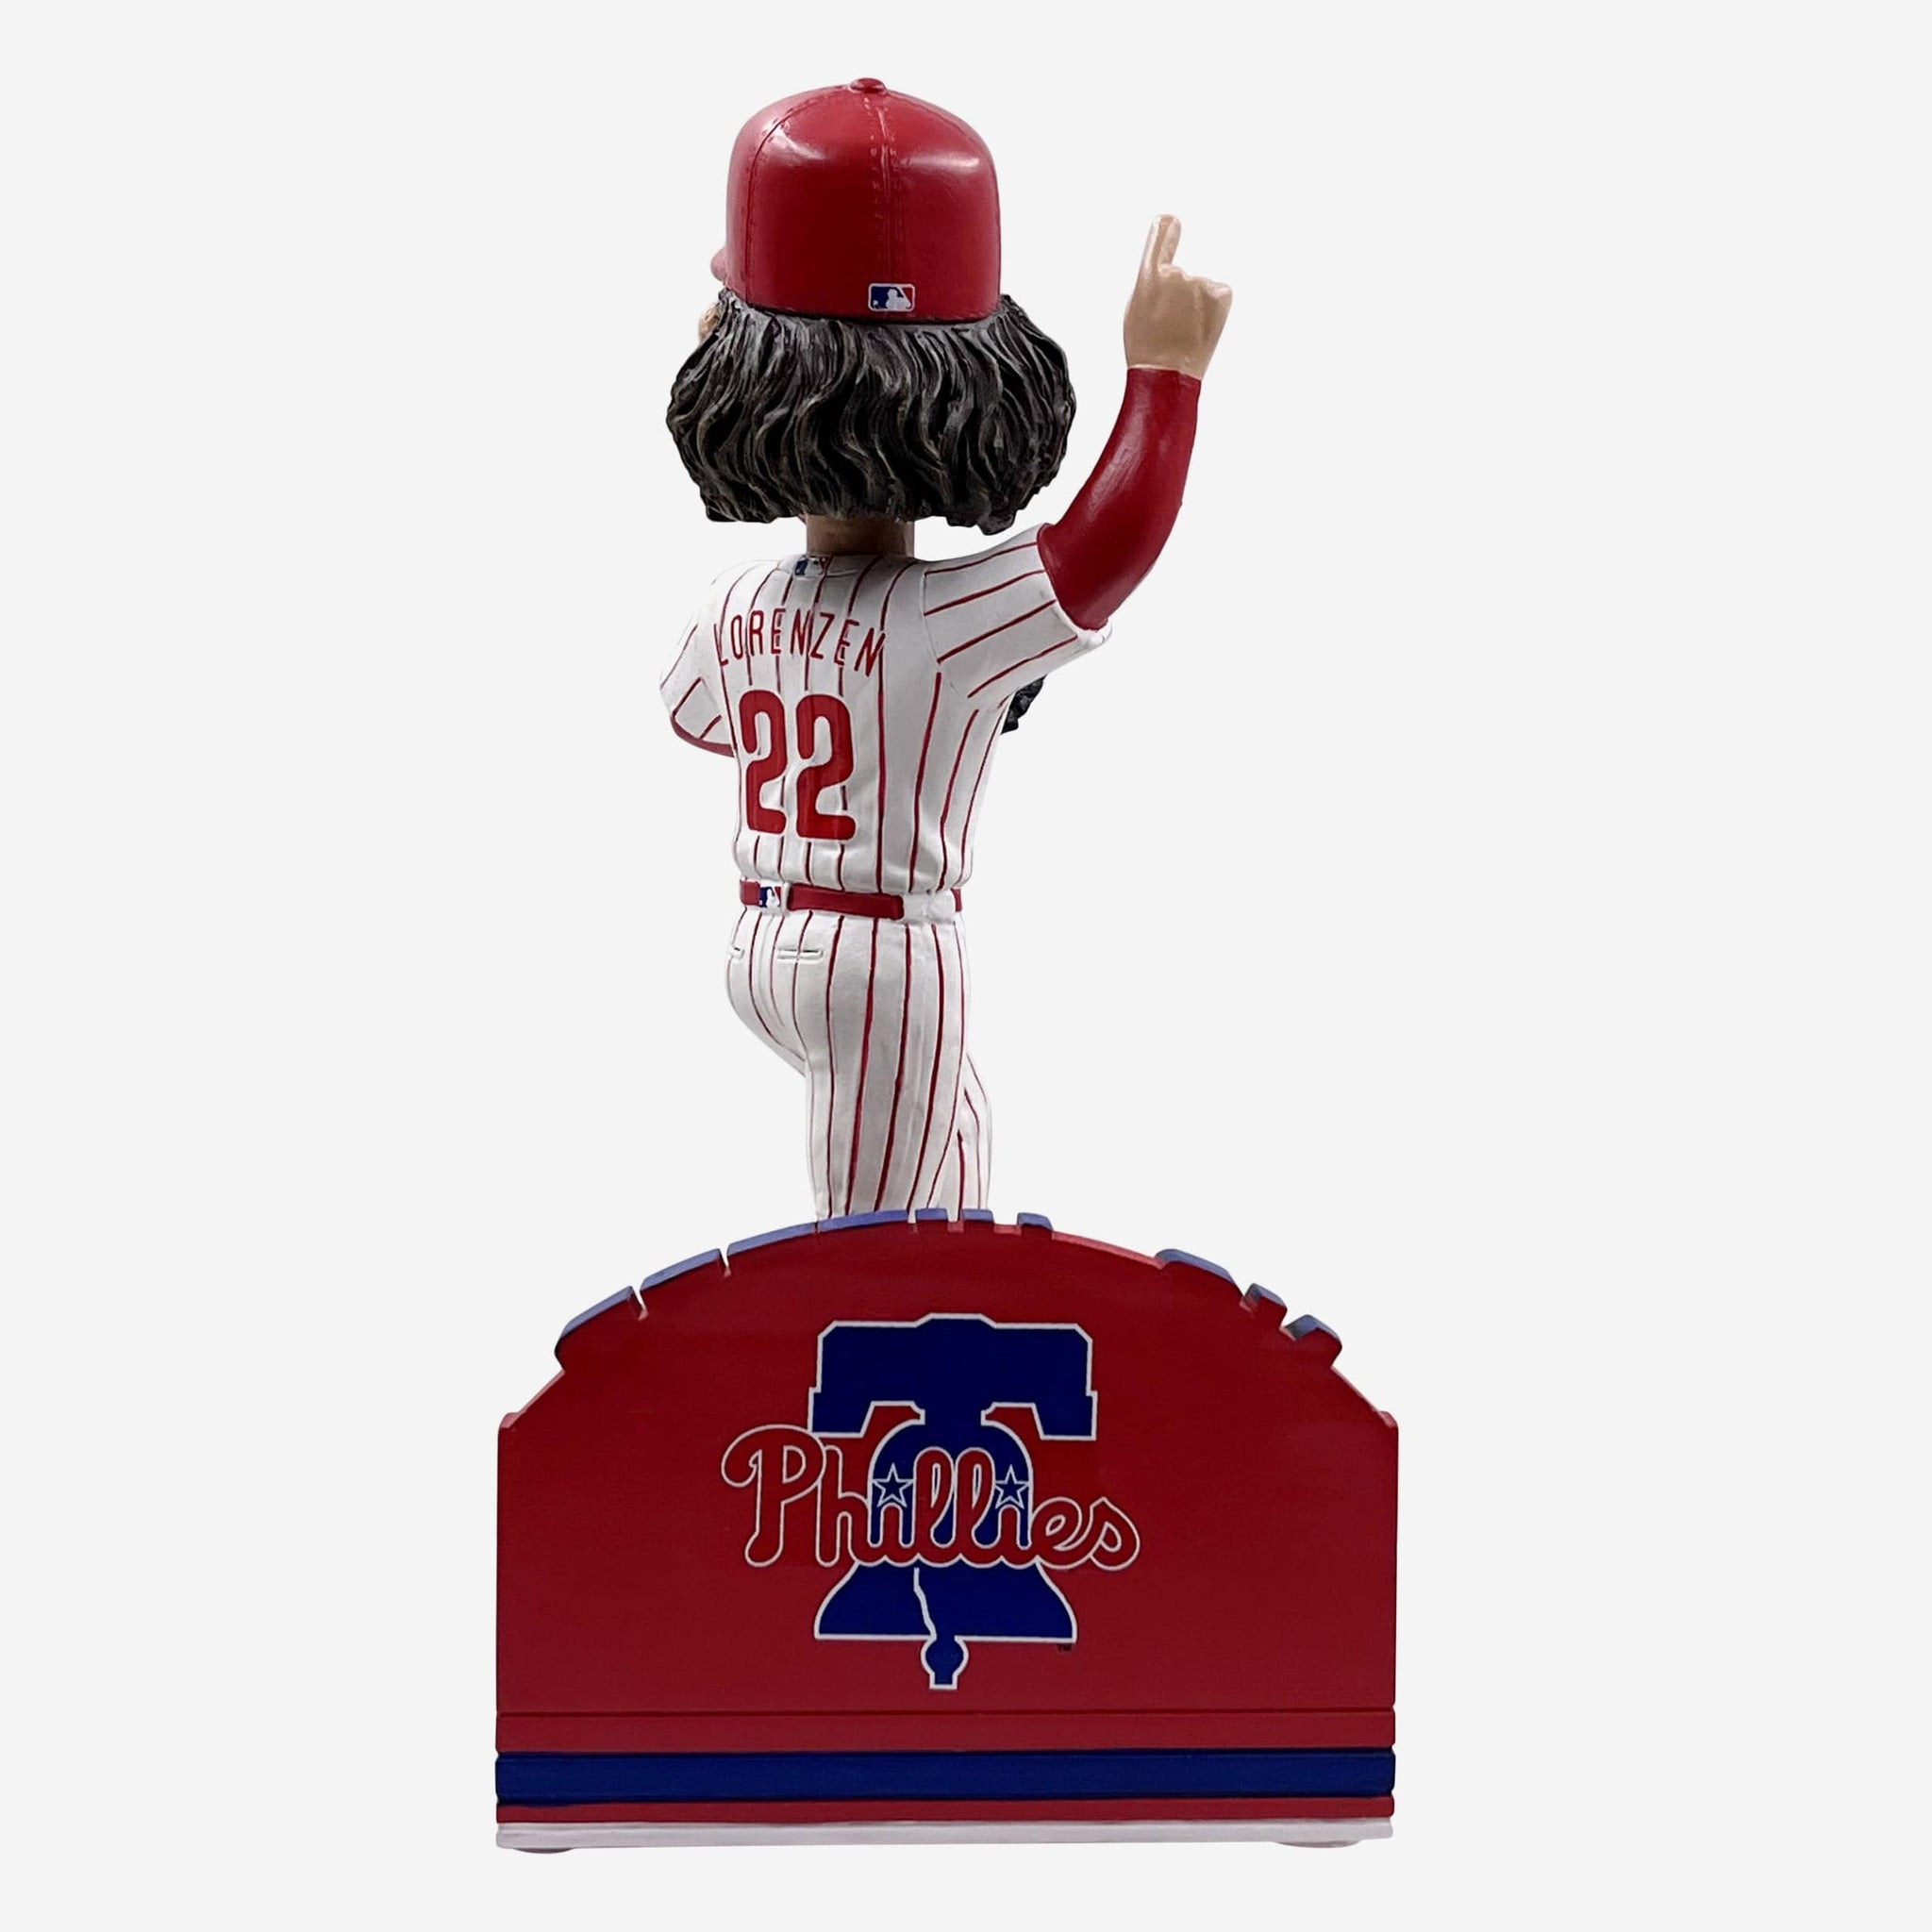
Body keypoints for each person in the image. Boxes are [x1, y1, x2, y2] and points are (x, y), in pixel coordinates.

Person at [661, 80, 1230, 1220]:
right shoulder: (945, 618)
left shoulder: (733, 604)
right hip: (881, 963)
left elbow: (699, 720)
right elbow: (1100, 549)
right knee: (869, 1245)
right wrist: (1163, 377)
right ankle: (858, 1328)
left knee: (955, 1149)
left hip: (759, 938)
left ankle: (959, 1295)